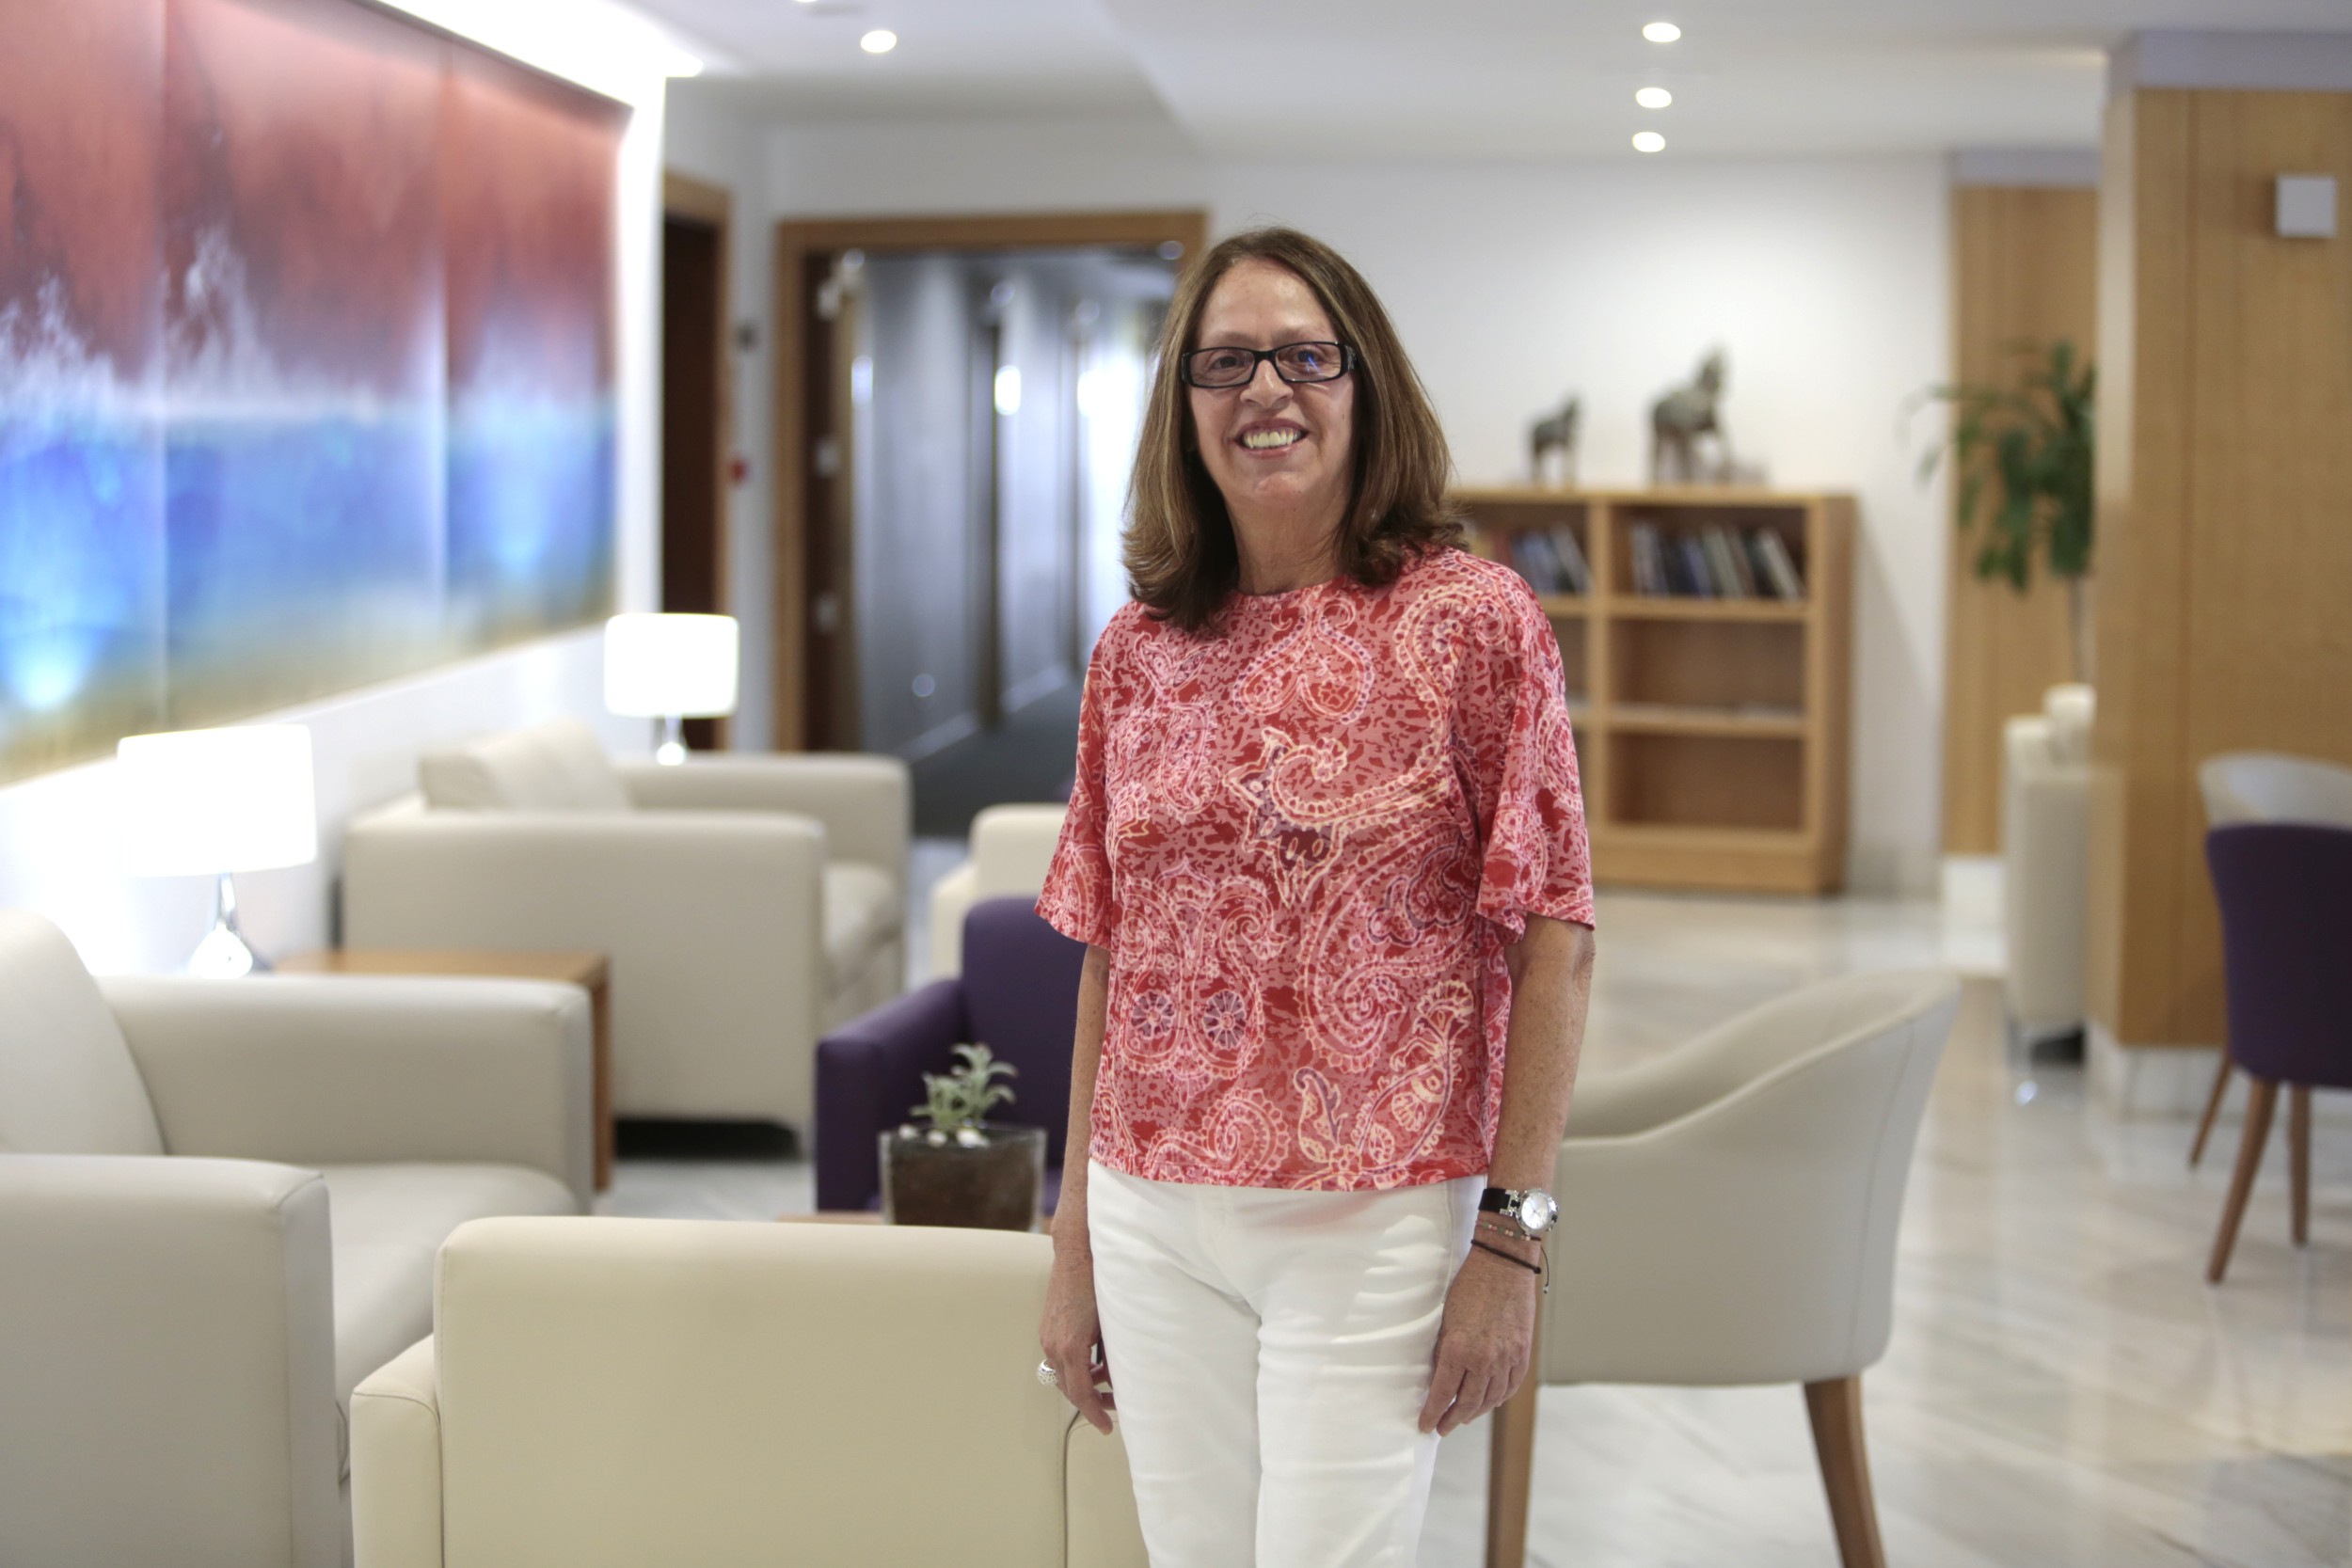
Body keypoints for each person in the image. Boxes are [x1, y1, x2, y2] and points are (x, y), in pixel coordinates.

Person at [1034, 225, 1597, 1568]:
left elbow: (1557, 936)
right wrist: (1072, 1236)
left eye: (1304, 356)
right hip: (1151, 1207)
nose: (1265, 392)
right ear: (1185, 407)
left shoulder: (1473, 621)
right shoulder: (1139, 649)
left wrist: (1511, 1246)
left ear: (1365, 384)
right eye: (1225, 363)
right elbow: (1111, 945)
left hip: (1376, 1213)